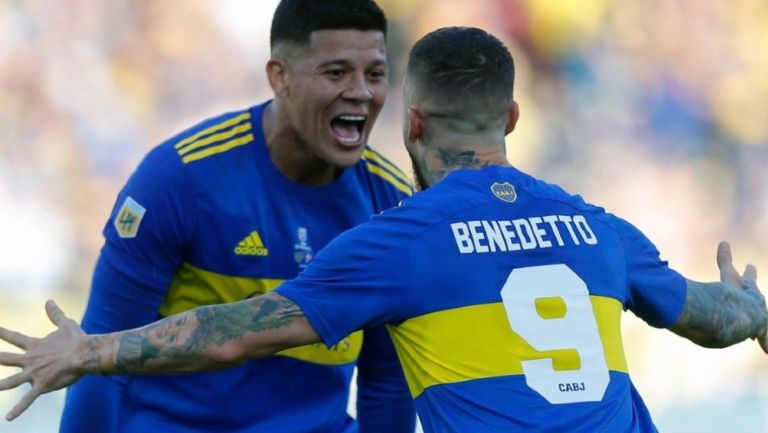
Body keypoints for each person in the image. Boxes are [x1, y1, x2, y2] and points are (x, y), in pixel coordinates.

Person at [1, 26, 767, 432]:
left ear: (412, 123)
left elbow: (237, 329)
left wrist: (92, 349)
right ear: (510, 118)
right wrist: (752, 305)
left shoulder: (399, 238)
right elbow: (714, 318)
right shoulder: (599, 227)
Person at [54, 1, 416, 432]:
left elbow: (387, 379)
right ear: (279, 77)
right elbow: (99, 358)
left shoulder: (393, 206)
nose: (360, 91)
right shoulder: (179, 178)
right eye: (336, 73)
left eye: (375, 74)